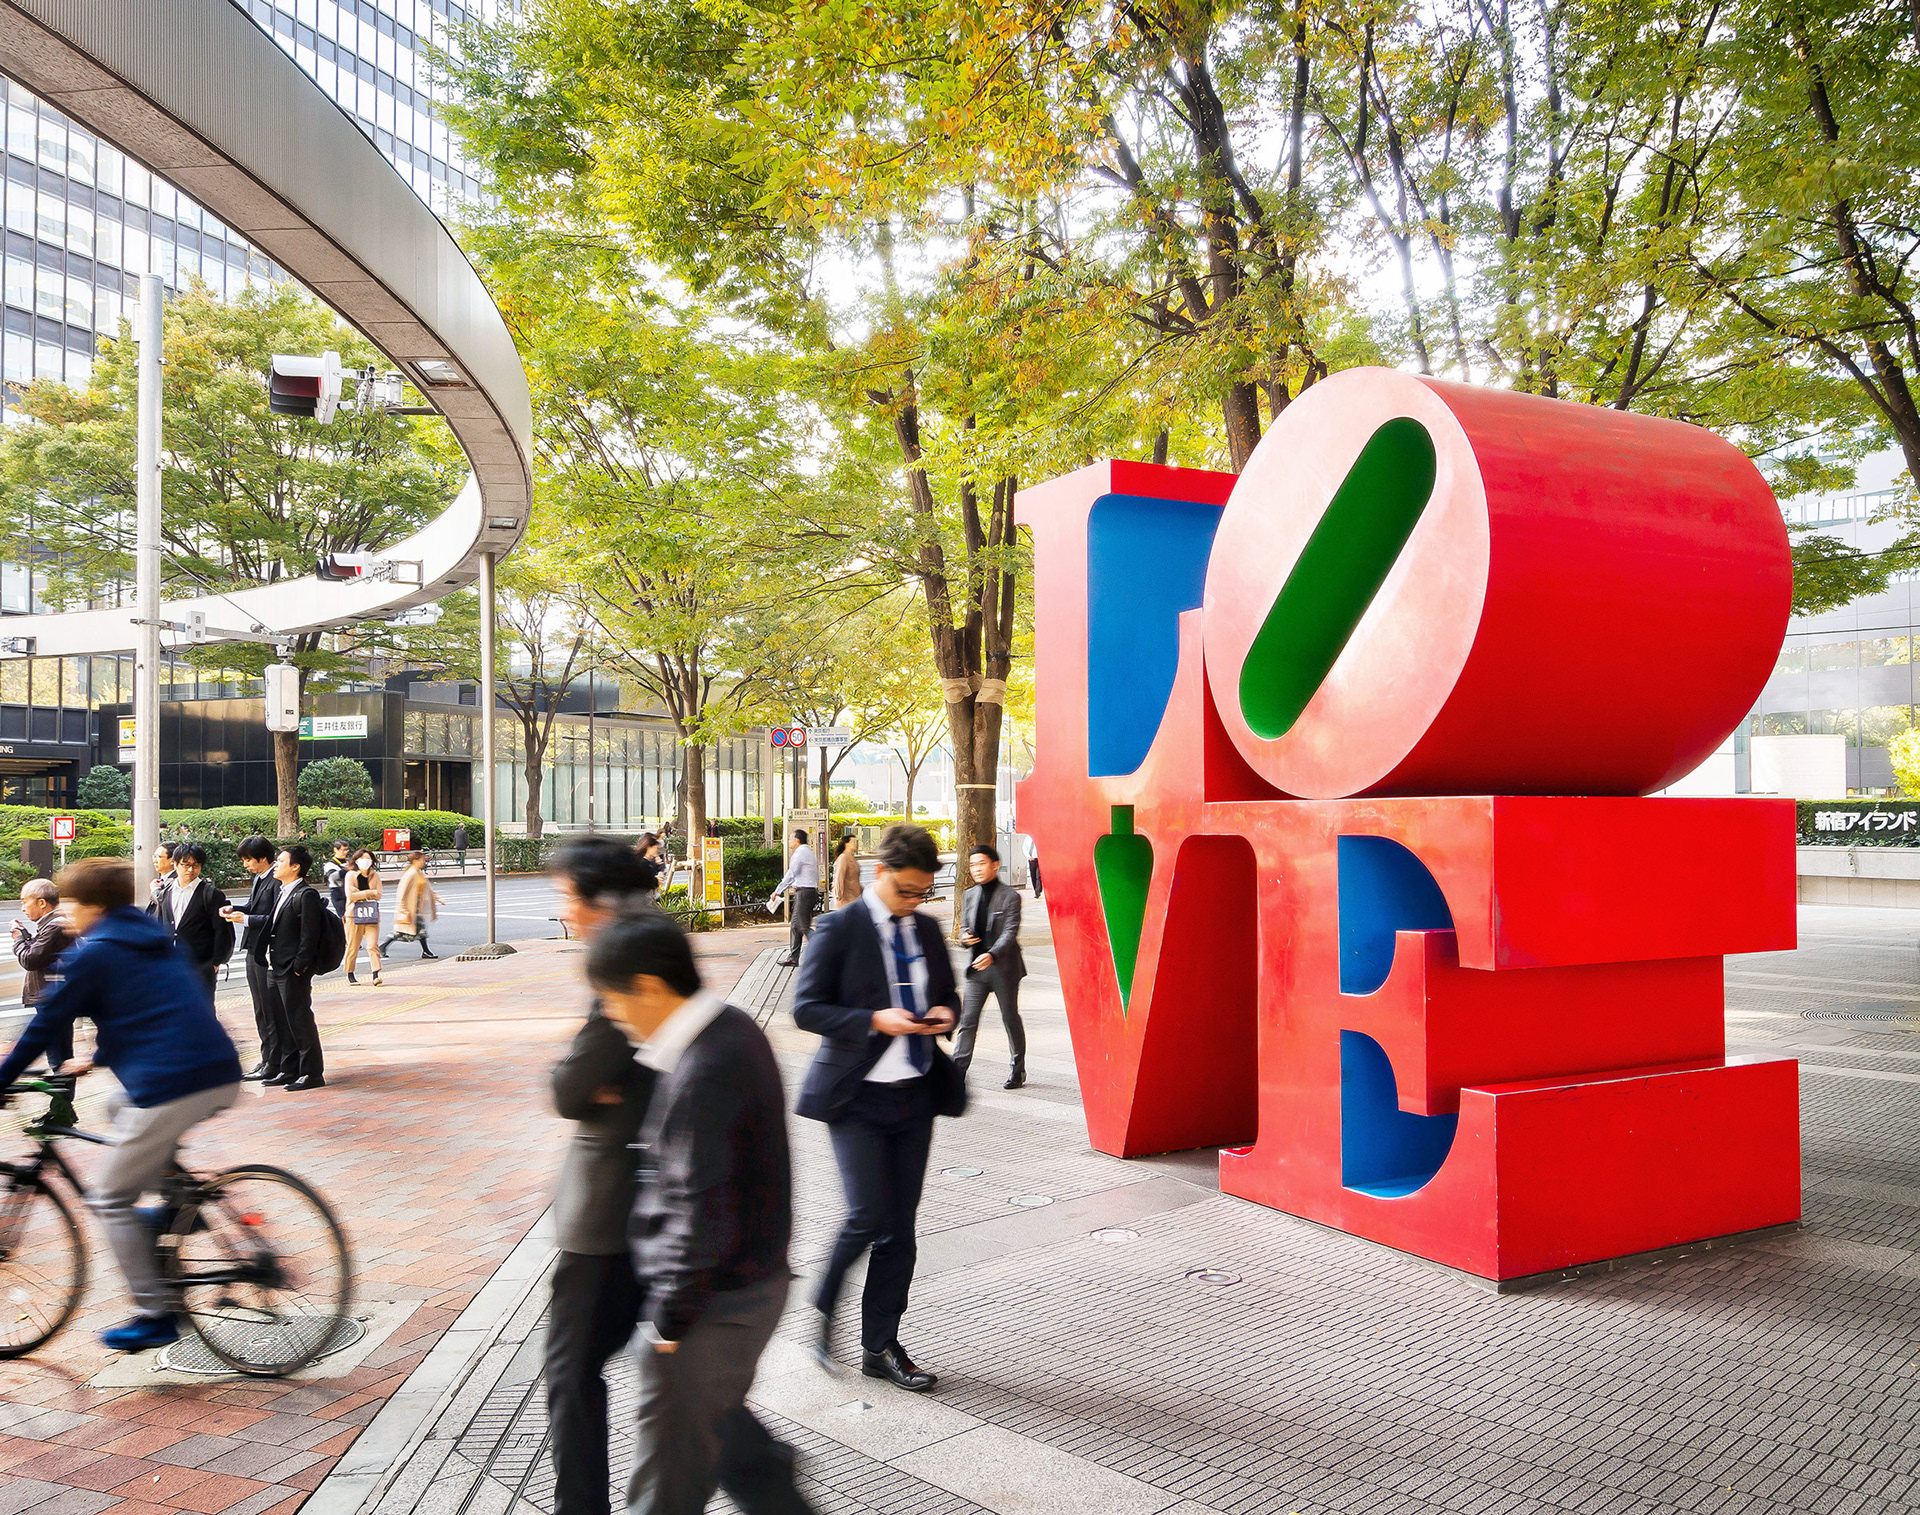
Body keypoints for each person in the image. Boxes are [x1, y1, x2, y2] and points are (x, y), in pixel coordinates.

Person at [590, 912, 806, 1515]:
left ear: (649, 987)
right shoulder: (730, 1027)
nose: (610, 1015)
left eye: (611, 999)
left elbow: (699, 1208)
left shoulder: (703, 1070)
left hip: (713, 1306)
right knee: (721, 1436)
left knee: (667, 1484)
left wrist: (668, 1322)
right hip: (740, 1285)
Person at [0, 857, 243, 1351]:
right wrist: (97, 1057)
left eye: (71, 903)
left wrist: (3, 1076)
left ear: (93, 907)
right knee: (116, 1108)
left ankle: (156, 1314)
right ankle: (180, 1203)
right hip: (215, 1070)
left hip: (173, 1083)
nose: (66, 913)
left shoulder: (97, 953)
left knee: (109, 1198)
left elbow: (46, 1023)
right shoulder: (152, 937)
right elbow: (150, 1008)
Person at [792, 822, 962, 1392]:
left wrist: (947, 1014)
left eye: (923, 893)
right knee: (867, 1214)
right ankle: (822, 1307)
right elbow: (807, 1008)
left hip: (914, 1094)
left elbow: (949, 994)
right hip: (856, 1097)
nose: (914, 901)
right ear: (880, 871)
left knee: (900, 1232)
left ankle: (880, 1345)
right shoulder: (838, 928)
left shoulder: (926, 929)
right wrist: (873, 1020)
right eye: (905, 890)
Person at [545, 839, 657, 1515]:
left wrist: (581, 1081)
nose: (565, 911)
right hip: (643, 1198)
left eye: (568, 897)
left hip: (612, 1206)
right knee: (678, 1369)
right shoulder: (651, 942)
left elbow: (570, 1086)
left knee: (571, 1368)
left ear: (602, 901)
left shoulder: (628, 961)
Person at [953, 844, 1028, 1089]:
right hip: (977, 970)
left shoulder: (1010, 897)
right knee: (968, 1021)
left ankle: (1017, 1070)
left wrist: (992, 954)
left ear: (995, 865)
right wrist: (964, 937)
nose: (976, 869)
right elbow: (965, 927)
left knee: (1009, 1018)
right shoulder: (969, 895)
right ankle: (956, 1076)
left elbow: (1009, 933)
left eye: (981, 863)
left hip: (1004, 969)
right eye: (972, 864)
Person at [265, 845, 328, 1090]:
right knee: (281, 1020)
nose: (276, 864)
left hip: (292, 969)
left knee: (299, 1020)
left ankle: (312, 1073)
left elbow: (309, 935)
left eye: (281, 861)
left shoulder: (305, 894)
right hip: (276, 966)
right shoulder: (283, 891)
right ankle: (289, 1069)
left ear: (295, 867)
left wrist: (300, 966)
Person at [220, 835, 282, 1081]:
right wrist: (235, 909)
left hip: (267, 952)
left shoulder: (276, 880)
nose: (245, 865)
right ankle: (267, 1058)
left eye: (248, 860)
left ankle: (274, 1062)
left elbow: (276, 917)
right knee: (260, 1008)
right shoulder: (260, 878)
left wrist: (244, 919)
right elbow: (253, 906)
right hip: (253, 949)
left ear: (263, 858)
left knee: (269, 1009)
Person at [10, 879, 74, 1071]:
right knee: (59, 1055)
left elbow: (31, 960)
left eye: (24, 902)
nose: (23, 908)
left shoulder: (55, 926)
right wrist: (25, 936)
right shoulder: (52, 924)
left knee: (58, 1059)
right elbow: (41, 952)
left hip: (52, 998)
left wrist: (18, 939)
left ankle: (62, 1090)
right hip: (54, 996)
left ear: (42, 902)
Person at [156, 842, 231, 1001]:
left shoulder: (211, 894)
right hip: (171, 965)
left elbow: (223, 931)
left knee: (201, 1008)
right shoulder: (165, 893)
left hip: (201, 965)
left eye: (196, 866)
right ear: (175, 864)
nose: (190, 870)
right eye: (186, 865)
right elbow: (162, 927)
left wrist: (215, 962)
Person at [770, 828, 819, 967]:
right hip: (808, 891)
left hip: (804, 893)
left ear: (797, 840)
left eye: (791, 838)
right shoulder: (808, 852)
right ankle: (793, 957)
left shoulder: (800, 853)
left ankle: (824, 948)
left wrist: (777, 891)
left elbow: (791, 874)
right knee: (795, 926)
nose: (789, 841)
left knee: (803, 926)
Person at [383, 850, 440, 959]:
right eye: (422, 860)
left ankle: (383, 946)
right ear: (415, 861)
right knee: (413, 929)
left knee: (415, 929)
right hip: (410, 905)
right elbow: (402, 891)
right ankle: (426, 951)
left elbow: (427, 889)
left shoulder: (418, 873)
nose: (424, 862)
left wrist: (437, 898)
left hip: (416, 905)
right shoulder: (411, 873)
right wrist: (403, 907)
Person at [343, 848, 383, 987]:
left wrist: (360, 893)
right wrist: (370, 892)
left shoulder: (375, 876)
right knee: (353, 946)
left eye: (368, 858)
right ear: (356, 861)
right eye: (362, 858)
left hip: (371, 914)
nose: (365, 861)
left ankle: (376, 974)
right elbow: (351, 895)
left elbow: (378, 894)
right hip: (353, 915)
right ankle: (350, 973)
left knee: (372, 945)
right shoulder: (350, 875)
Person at [832, 833, 860, 911]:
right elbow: (839, 876)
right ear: (846, 844)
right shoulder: (843, 857)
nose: (855, 844)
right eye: (853, 842)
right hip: (845, 899)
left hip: (855, 897)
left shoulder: (852, 858)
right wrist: (838, 894)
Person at [147, 841, 177, 914]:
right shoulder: (161, 880)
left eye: (159, 857)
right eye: (154, 856)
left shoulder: (178, 881)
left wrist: (155, 890)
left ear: (172, 860)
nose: (155, 861)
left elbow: (165, 904)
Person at [634, 832, 663, 901]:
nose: (656, 850)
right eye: (655, 847)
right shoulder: (644, 864)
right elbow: (645, 883)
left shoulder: (640, 861)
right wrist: (656, 881)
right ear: (648, 848)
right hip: (641, 900)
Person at [324, 841, 351, 917]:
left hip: (350, 891)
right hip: (338, 892)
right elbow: (332, 877)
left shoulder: (349, 861)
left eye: (347, 850)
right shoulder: (330, 864)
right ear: (335, 849)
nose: (345, 852)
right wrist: (346, 870)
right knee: (344, 916)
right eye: (343, 850)